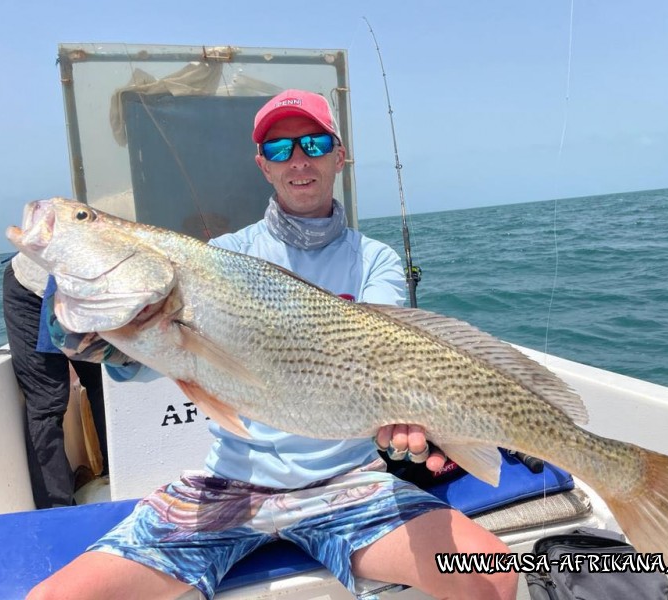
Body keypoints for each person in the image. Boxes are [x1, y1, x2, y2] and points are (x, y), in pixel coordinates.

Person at [28, 89, 517, 599]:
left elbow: (394, 358)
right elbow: (134, 367)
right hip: (228, 486)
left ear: (339, 154)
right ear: (263, 165)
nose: (298, 159)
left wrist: (416, 421)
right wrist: (88, 333)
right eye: (280, 149)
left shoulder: (375, 261)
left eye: (313, 142)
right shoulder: (220, 257)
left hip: (347, 483)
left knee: (493, 575)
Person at [2, 253, 109, 509]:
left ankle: (117, 474)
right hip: (32, 292)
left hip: (88, 299)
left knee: (104, 384)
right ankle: (56, 509)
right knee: (48, 399)